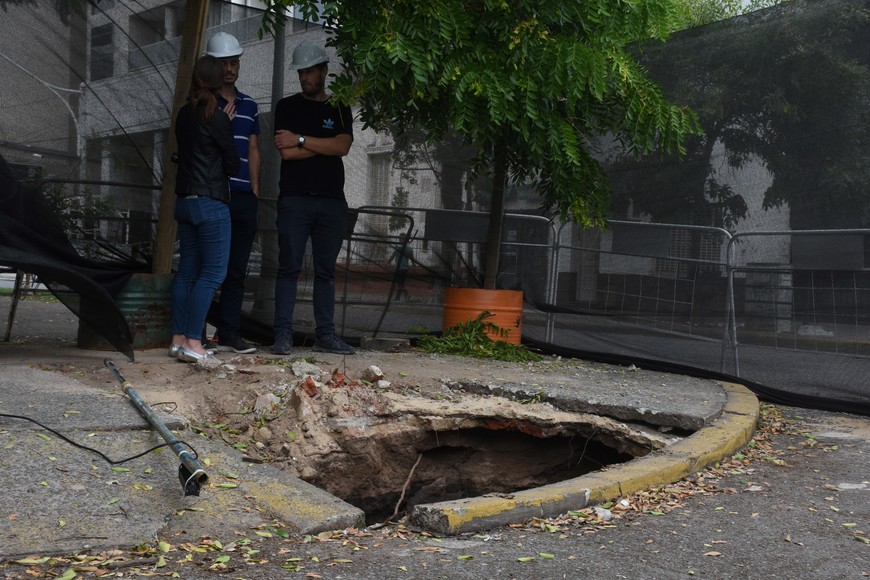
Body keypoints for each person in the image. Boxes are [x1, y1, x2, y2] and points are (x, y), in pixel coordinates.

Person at [271, 40, 355, 356]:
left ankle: (326, 335)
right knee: (288, 267)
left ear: (324, 71)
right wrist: (322, 144)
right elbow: (287, 153)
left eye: (310, 72)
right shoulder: (286, 106)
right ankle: (282, 335)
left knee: (326, 271)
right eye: (301, 72)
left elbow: (343, 147)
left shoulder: (339, 106)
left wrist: (302, 139)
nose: (305, 78)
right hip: (295, 199)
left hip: (332, 200)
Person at [169, 55, 240, 368]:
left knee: (187, 271)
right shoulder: (218, 116)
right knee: (212, 274)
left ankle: (178, 339)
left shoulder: (184, 114)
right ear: (216, 80)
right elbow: (232, 164)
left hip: (185, 201)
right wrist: (227, 123)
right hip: (211, 202)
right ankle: (195, 343)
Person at [204, 32, 260, 355]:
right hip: (214, 193)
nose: (230, 68)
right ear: (213, 65)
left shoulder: (250, 104)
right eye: (224, 63)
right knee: (211, 267)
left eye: (234, 62)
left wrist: (255, 189)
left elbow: (254, 148)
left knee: (237, 268)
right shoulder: (203, 103)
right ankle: (196, 332)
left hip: (242, 195)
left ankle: (229, 333)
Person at [391, 233, 413, 301]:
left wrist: (387, 262)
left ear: (400, 239)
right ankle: (398, 297)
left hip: (399, 268)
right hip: (405, 269)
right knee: (400, 283)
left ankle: (407, 294)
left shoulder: (398, 247)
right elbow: (412, 259)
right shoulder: (409, 249)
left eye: (400, 238)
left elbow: (393, 255)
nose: (399, 239)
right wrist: (414, 266)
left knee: (400, 284)